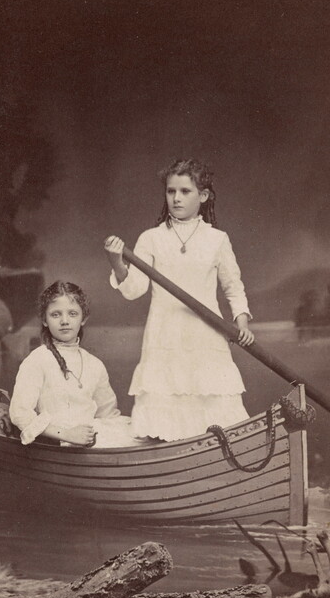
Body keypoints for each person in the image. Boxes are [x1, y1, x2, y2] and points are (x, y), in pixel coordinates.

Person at [104, 158, 254, 442]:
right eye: (171, 191)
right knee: (164, 425)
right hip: (165, 336)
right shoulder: (151, 238)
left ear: (204, 196)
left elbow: (233, 287)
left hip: (207, 337)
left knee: (215, 416)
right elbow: (134, 289)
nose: (176, 198)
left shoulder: (217, 239)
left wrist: (242, 323)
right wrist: (116, 260)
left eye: (185, 191)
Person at [9, 281, 138, 448]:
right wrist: (67, 435)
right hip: (58, 442)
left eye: (72, 313)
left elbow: (108, 415)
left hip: (91, 441)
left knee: (141, 433)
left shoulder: (94, 364)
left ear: (83, 318)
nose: (64, 321)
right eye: (55, 314)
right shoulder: (38, 359)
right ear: (44, 320)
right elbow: (19, 413)